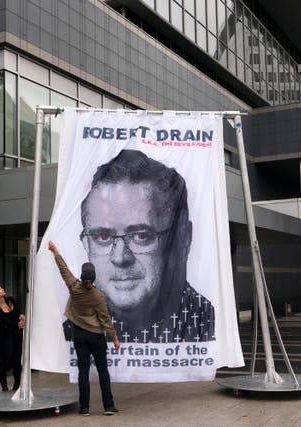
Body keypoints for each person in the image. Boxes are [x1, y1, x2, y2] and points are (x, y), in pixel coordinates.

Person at [74, 149, 215, 344]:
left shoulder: (207, 324)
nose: (120, 258)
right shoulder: (73, 329)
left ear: (184, 240)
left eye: (141, 235)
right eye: (103, 236)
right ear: (87, 244)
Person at [48, 240, 121, 416]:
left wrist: (55, 251)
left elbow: (64, 270)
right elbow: (105, 320)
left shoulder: (74, 287)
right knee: (103, 372)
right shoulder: (98, 295)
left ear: (81, 276)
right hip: (96, 337)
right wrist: (115, 338)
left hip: (79, 335)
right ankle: (108, 406)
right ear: (94, 277)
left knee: (83, 373)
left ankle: (84, 408)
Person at [0, 284, 25, 391]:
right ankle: (4, 384)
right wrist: (17, 324)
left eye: (1, 288)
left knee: (17, 359)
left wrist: (21, 317)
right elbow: (3, 320)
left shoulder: (11, 300)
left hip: (17, 334)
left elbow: (17, 313)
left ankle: (17, 384)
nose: (2, 289)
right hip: (5, 336)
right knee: (5, 360)